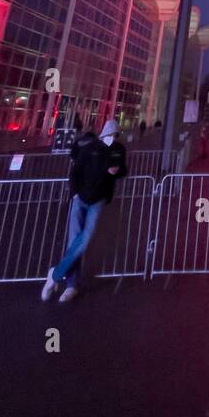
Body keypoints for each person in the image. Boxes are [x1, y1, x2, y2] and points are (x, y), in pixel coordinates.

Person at [41, 118, 128, 303]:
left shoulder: (118, 150)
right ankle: (71, 284)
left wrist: (117, 171)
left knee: (83, 240)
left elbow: (123, 170)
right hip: (81, 198)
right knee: (75, 241)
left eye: (115, 134)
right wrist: (74, 193)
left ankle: (56, 275)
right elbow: (76, 170)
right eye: (112, 134)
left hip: (98, 199)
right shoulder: (91, 148)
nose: (113, 137)